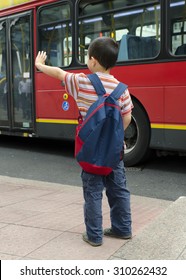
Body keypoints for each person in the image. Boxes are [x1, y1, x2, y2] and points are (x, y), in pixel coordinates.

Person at [35, 37, 133, 247]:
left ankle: (94, 236)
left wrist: (39, 65)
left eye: (88, 57)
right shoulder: (122, 89)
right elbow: (126, 119)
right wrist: (112, 139)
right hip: (114, 152)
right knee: (119, 190)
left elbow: (59, 73)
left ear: (94, 61)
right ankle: (122, 229)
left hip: (90, 150)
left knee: (93, 192)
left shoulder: (81, 82)